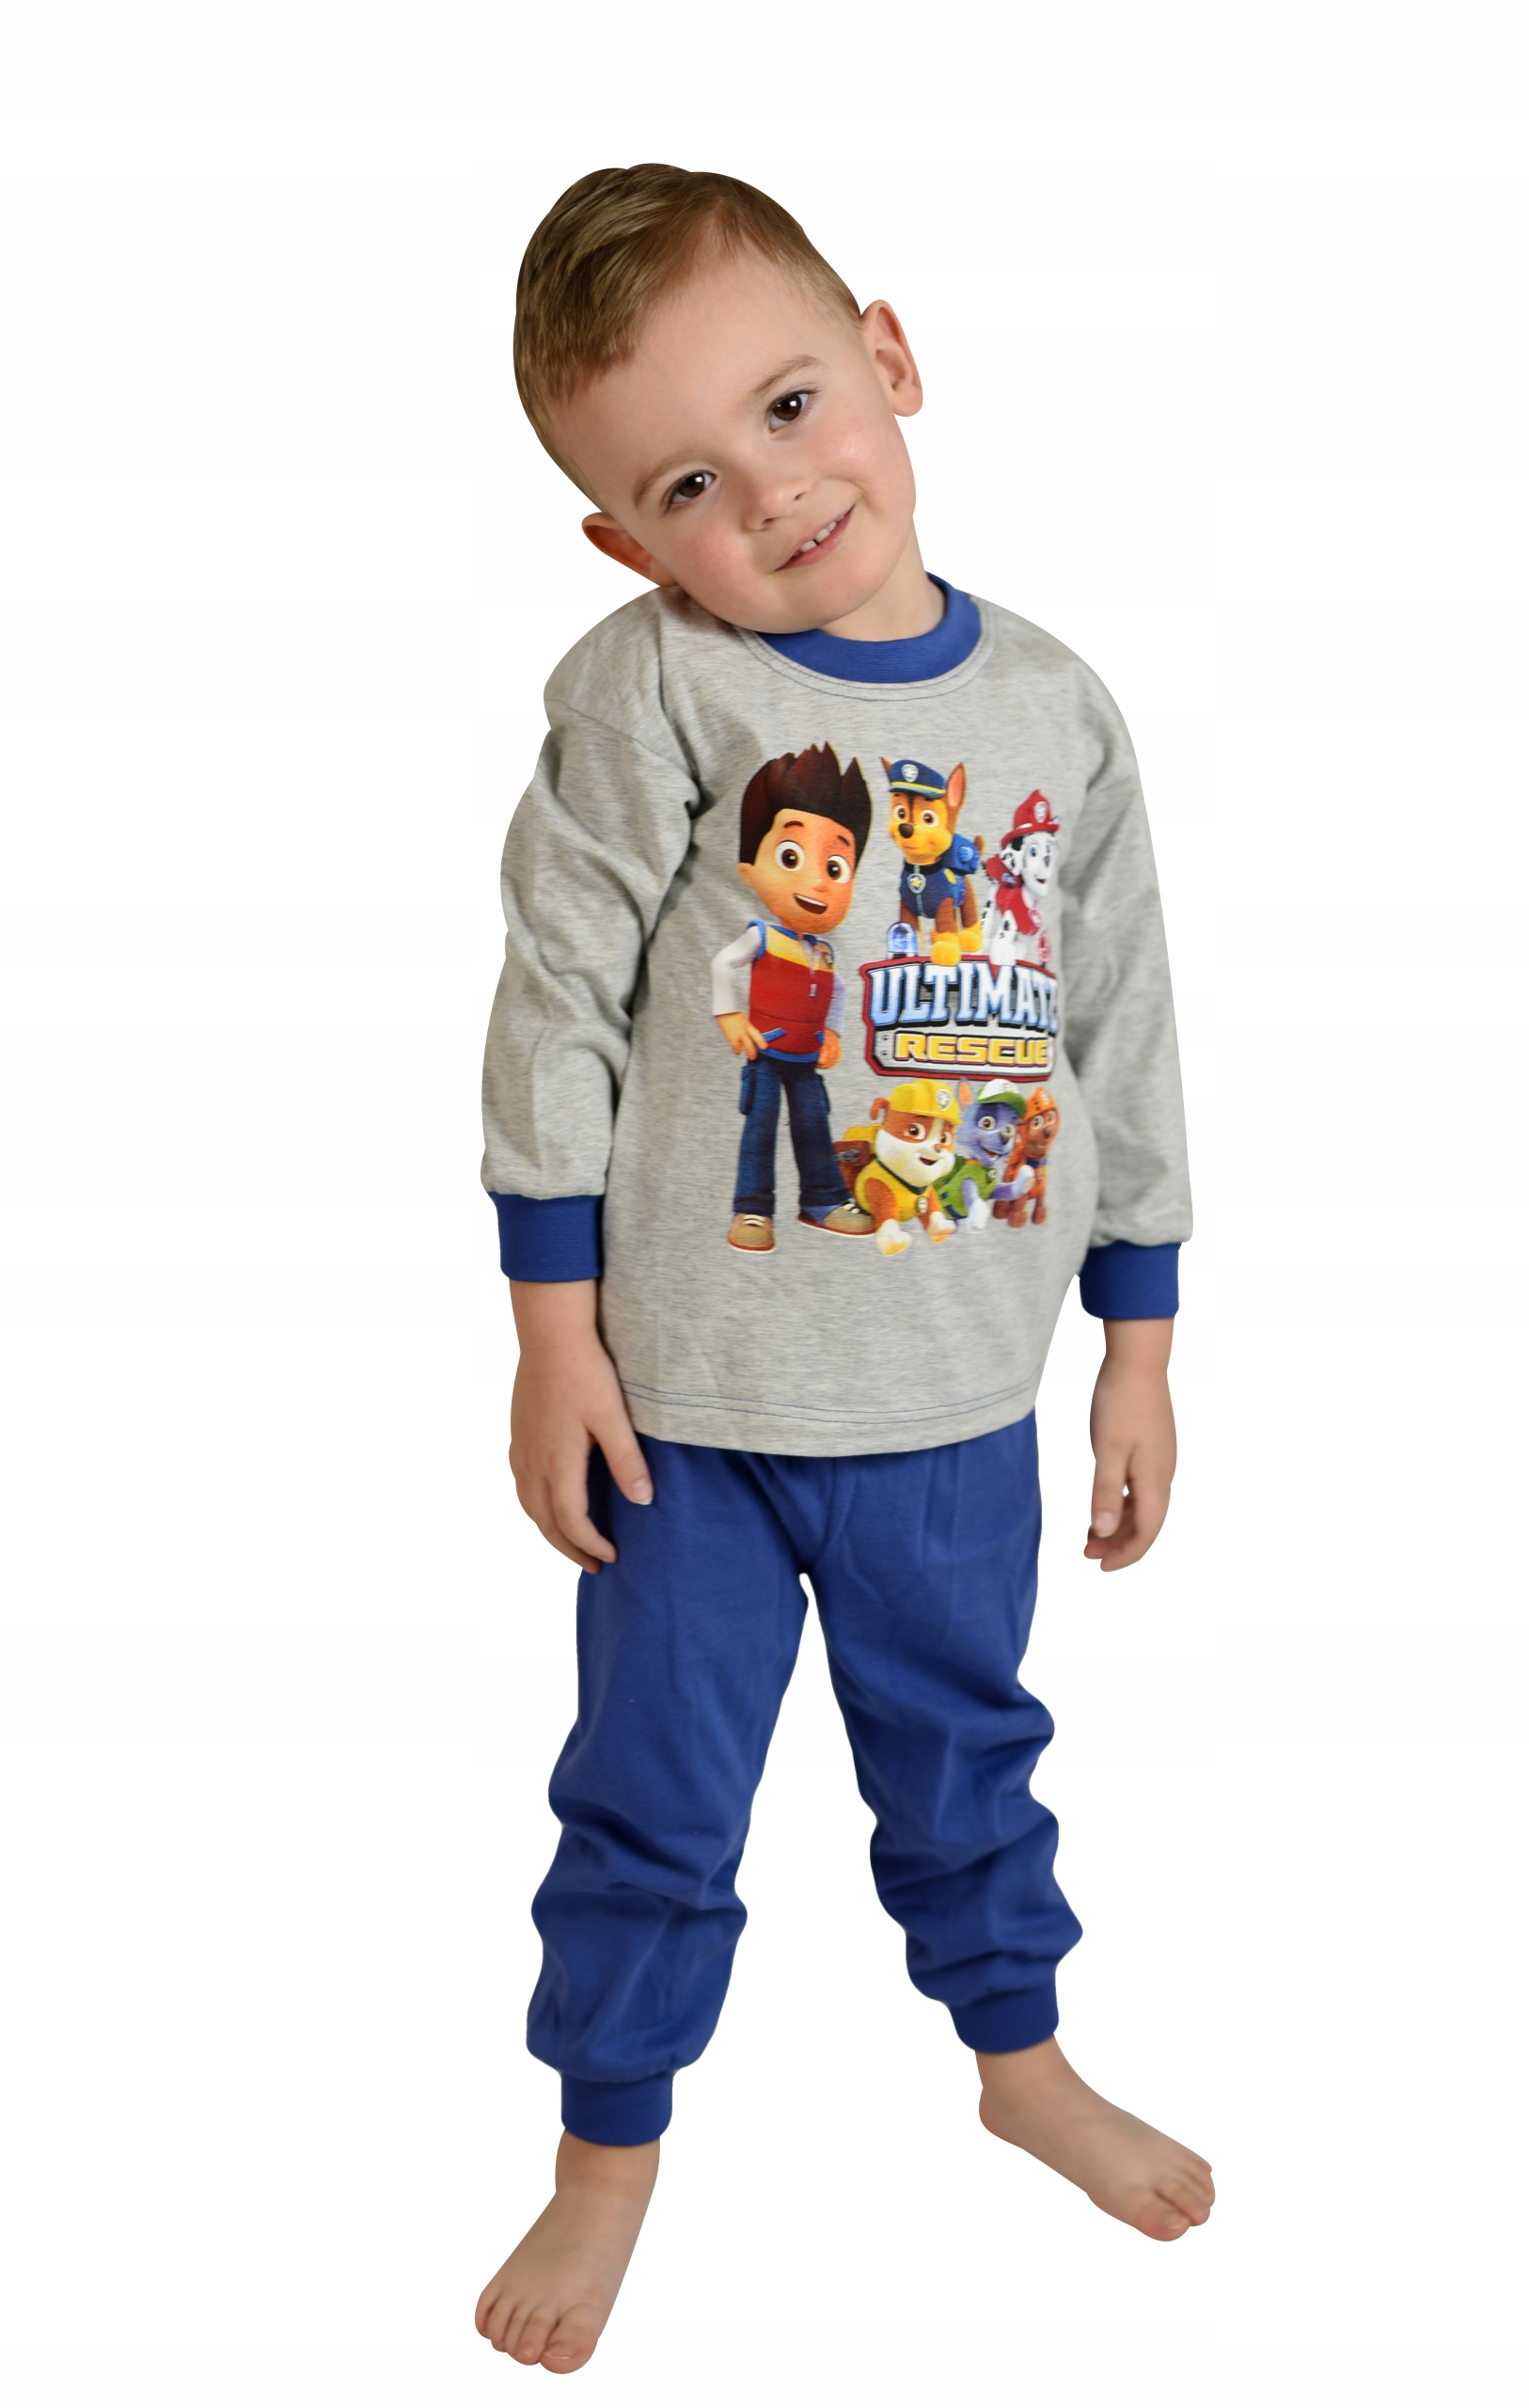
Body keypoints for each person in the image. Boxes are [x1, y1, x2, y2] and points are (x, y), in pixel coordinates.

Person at [476, 164, 1211, 2376]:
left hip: (956, 1393)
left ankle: (1018, 2058)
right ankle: (607, 2148)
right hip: (686, 1413)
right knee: (648, 1795)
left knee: (968, 1751)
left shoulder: (1053, 710)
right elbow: (555, 1005)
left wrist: (1137, 1342)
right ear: (622, 540)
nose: (771, 493)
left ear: (885, 359)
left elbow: (1119, 1028)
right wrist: (547, 1333)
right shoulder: (652, 691)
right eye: (687, 484)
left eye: (790, 407)